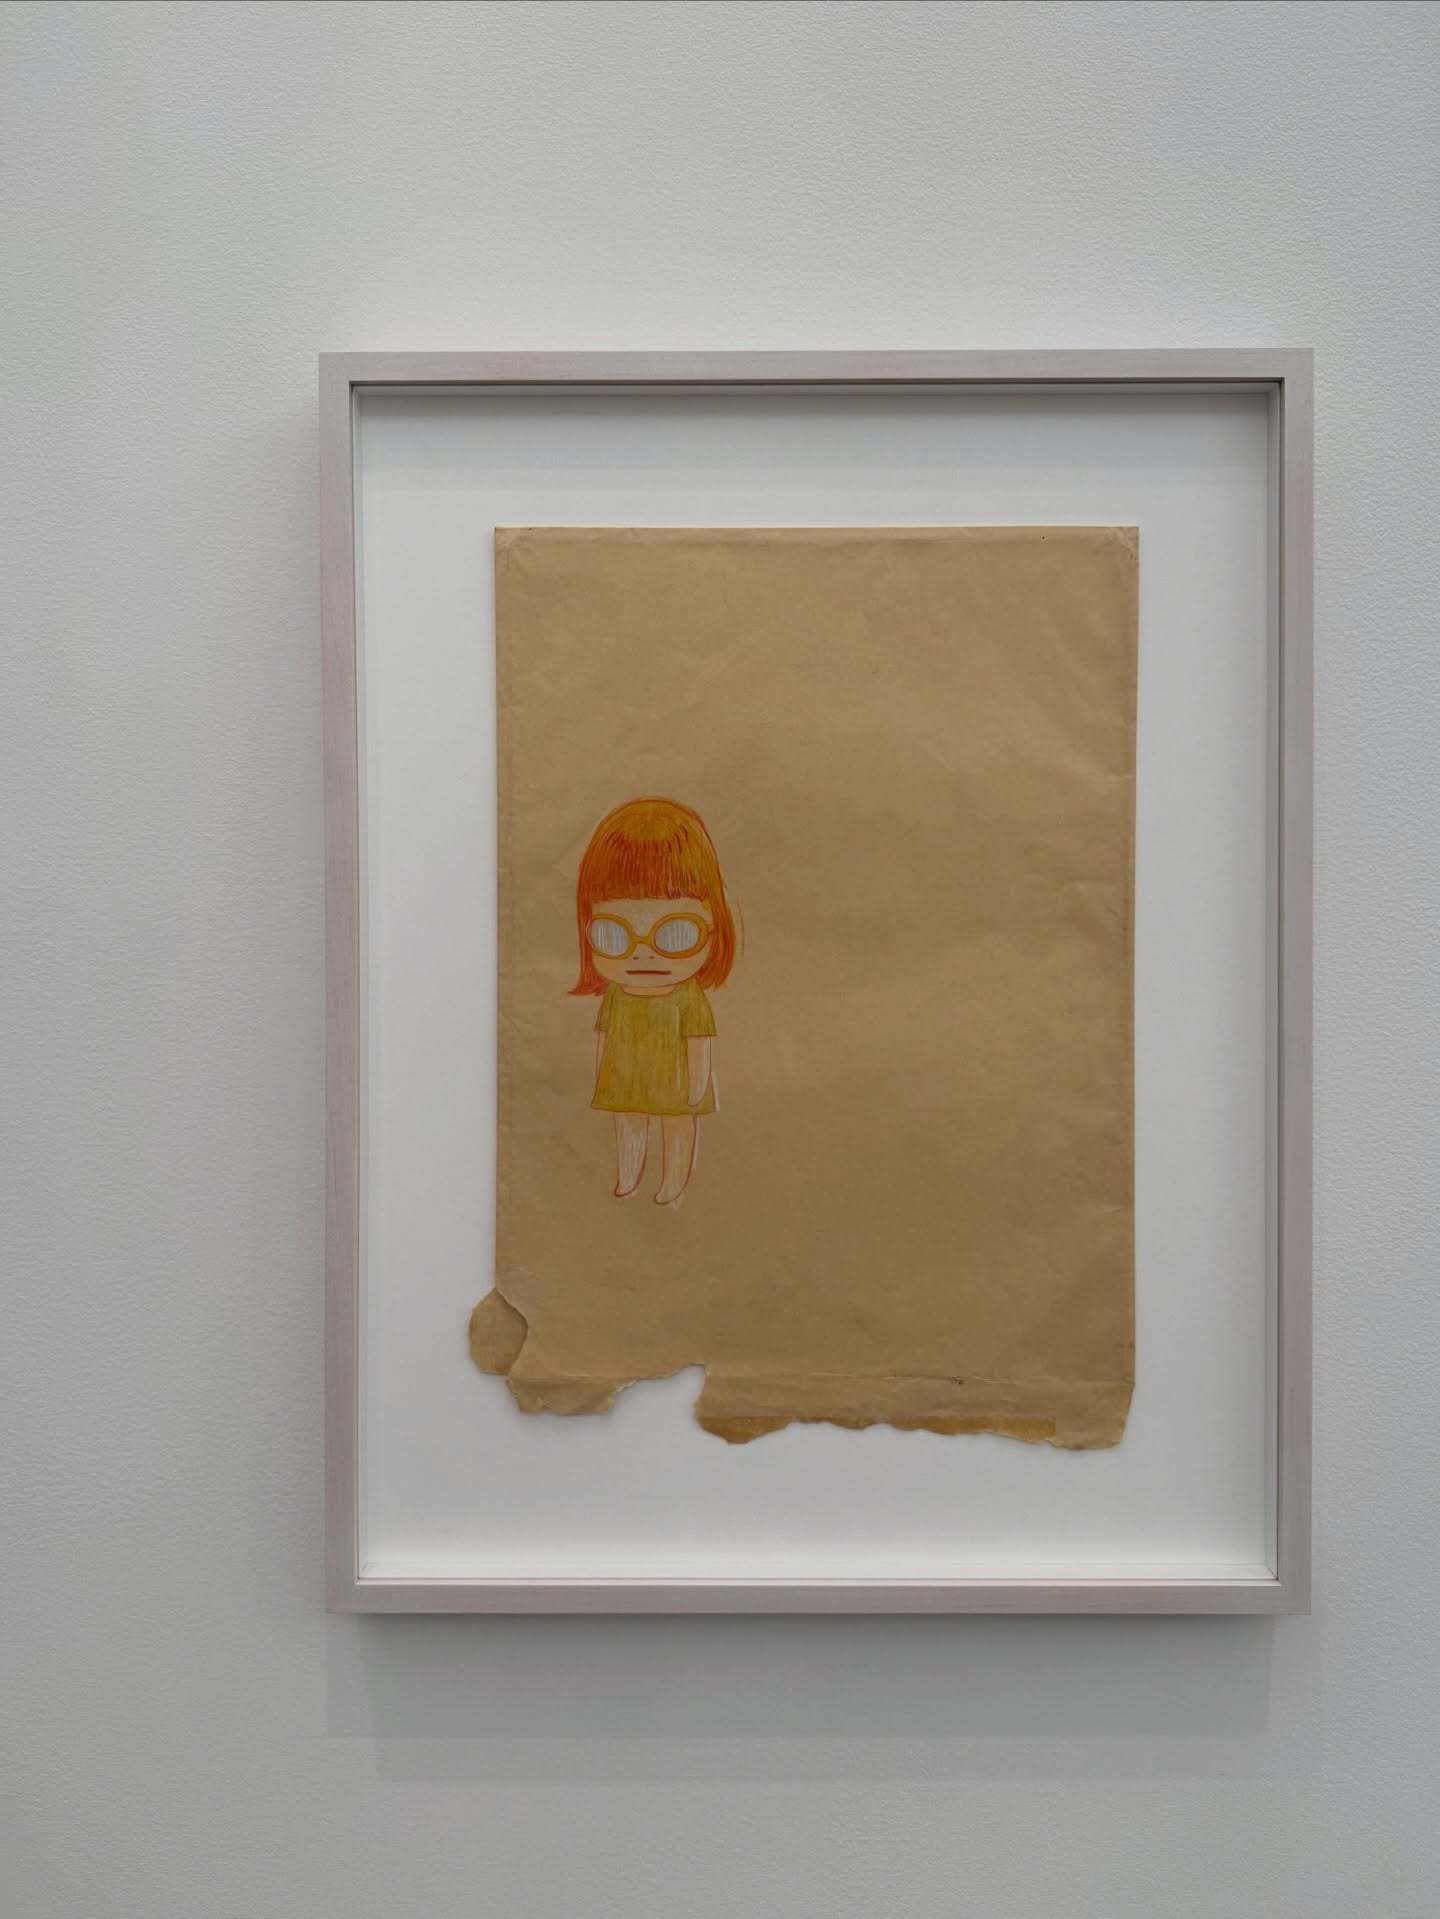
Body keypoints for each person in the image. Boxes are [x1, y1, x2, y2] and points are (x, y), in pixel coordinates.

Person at [571, 796, 737, 1206]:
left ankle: (673, 1182)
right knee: (628, 1124)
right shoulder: (616, 995)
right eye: (614, 935)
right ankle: (628, 1176)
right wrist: (602, 1075)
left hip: (677, 1084)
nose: (643, 955)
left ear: (712, 927)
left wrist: (696, 1087)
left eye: (676, 933)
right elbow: (605, 1038)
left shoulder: (688, 997)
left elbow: (699, 1044)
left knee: (678, 1127)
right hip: (625, 1080)